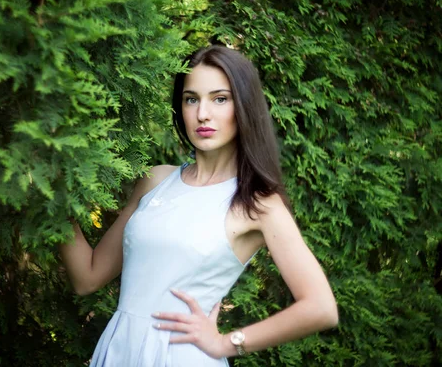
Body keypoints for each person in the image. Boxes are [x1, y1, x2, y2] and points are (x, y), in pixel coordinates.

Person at [59, 45, 338, 366]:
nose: (203, 113)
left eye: (220, 99)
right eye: (192, 99)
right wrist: (50, 195)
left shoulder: (258, 204)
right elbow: (87, 277)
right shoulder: (155, 181)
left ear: (243, 107)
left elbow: (321, 307)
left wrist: (228, 343)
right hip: (119, 351)